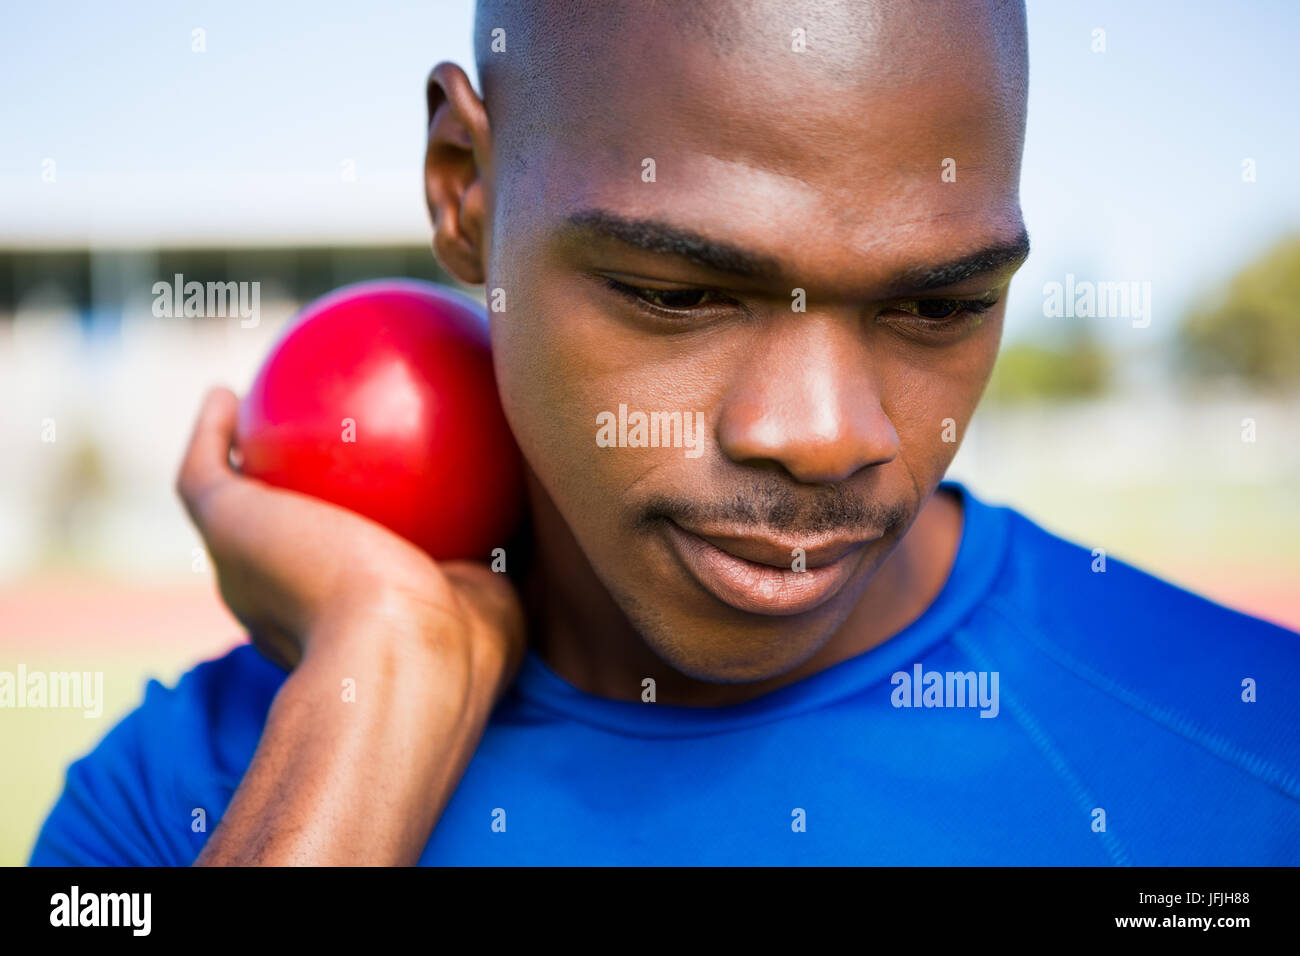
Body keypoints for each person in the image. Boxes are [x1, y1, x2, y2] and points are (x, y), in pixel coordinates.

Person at [30, 0, 1300, 865]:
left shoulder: (1254, 766)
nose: (819, 438)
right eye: (677, 293)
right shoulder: (174, 806)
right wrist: (383, 688)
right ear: (464, 191)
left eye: (936, 304)